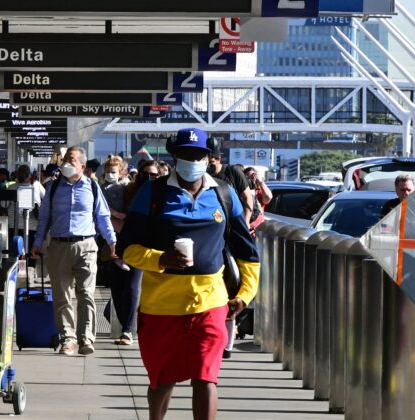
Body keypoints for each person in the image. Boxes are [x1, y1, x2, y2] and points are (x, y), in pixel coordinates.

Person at [117, 128, 260, 420]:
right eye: (185, 154)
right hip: (161, 306)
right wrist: (161, 259)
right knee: (162, 379)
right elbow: (126, 249)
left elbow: (247, 252)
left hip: (210, 302)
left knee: (206, 377)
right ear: (174, 156)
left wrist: (244, 295)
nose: (192, 160)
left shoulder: (224, 193)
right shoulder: (153, 193)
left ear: (209, 157)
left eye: (198, 154)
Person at [31, 147, 117, 356]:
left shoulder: (93, 187)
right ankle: (67, 339)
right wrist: (38, 242)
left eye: (71, 160)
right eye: (64, 161)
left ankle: (86, 337)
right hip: (59, 245)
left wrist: (112, 241)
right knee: (62, 296)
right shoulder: (52, 188)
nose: (66, 165)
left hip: (86, 245)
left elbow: (103, 217)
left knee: (86, 293)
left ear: (83, 165)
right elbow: (44, 219)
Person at [100, 156, 139, 345]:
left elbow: (130, 215)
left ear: (122, 172)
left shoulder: (128, 189)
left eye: (114, 171)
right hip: (109, 241)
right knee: (115, 287)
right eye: (108, 170)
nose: (110, 174)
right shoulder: (99, 189)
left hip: (129, 240)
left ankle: (128, 329)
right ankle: (126, 325)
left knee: (131, 287)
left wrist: (114, 216)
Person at [207, 148, 254, 229]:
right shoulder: (203, 175)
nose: (208, 166)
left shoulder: (233, 171)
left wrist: (245, 223)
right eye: (206, 163)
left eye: (211, 163)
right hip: (214, 224)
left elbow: (247, 197)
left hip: (234, 222)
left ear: (218, 159)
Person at [7, 164, 45, 250]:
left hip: (13, 225)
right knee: (31, 253)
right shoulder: (36, 185)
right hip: (32, 226)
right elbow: (47, 198)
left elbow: (3, 204)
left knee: (15, 252)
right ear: (29, 175)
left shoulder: (11, 187)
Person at [243, 167, 273, 231]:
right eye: (249, 177)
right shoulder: (242, 193)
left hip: (258, 231)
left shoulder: (259, 192)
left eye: (254, 175)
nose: (253, 178)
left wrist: (260, 181)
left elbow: (268, 197)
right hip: (246, 228)